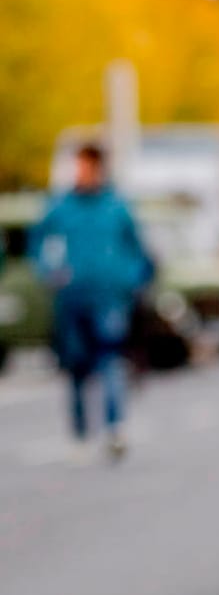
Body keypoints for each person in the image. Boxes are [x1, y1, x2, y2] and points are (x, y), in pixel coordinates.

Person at [29, 143, 154, 459]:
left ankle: (114, 427)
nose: (81, 172)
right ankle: (81, 430)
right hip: (73, 296)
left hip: (109, 297)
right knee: (76, 366)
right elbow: (38, 241)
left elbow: (139, 249)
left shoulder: (116, 206)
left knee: (110, 359)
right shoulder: (62, 205)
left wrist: (130, 278)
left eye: (86, 166)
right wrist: (50, 271)